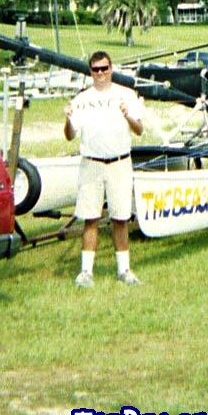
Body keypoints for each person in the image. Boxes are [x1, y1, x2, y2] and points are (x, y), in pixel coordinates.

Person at [64, 50, 144, 287]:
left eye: (104, 68)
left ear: (111, 69)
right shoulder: (81, 99)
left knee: (120, 217)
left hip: (119, 163)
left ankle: (124, 270)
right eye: (96, 69)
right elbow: (69, 136)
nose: (100, 73)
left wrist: (127, 115)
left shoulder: (126, 95)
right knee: (90, 217)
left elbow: (139, 130)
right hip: (91, 164)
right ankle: (86, 272)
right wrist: (67, 119)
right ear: (91, 72)